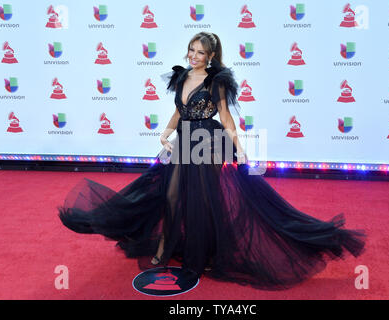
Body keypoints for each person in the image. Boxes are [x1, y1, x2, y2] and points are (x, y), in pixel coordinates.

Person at [58, 32, 365, 290]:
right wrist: (165, 133)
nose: (193, 55)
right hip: (183, 140)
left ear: (210, 55)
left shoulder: (216, 81)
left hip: (207, 141)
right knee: (171, 193)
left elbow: (227, 118)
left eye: (200, 52)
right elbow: (179, 111)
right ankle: (165, 245)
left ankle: (202, 250)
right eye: (191, 50)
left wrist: (240, 149)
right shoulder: (181, 76)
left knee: (203, 199)